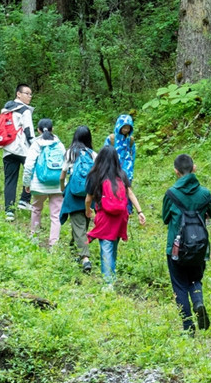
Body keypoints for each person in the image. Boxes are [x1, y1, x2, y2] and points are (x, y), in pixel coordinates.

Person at [162, 154, 211, 335]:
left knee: (179, 286)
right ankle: (198, 302)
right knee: (195, 279)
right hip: (199, 247)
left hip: (176, 248)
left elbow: (165, 218)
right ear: (194, 168)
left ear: (176, 171)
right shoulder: (205, 193)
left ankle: (188, 327)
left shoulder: (171, 194)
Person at [85, 145, 146, 287]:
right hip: (120, 217)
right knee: (113, 246)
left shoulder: (96, 175)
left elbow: (89, 198)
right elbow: (130, 193)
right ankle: (112, 276)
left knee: (106, 248)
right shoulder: (121, 174)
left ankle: (108, 284)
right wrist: (140, 212)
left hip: (105, 217)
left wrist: (88, 210)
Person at [23, 119, 67, 248]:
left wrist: (27, 183)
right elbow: (65, 164)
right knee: (55, 214)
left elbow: (29, 165)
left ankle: (34, 238)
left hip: (39, 184)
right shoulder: (59, 144)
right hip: (57, 184)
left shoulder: (36, 144)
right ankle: (54, 243)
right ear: (52, 129)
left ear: (38, 130)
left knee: (36, 209)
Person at [59, 126, 96, 273]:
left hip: (73, 193)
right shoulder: (93, 154)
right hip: (89, 193)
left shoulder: (70, 153)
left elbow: (62, 175)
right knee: (83, 224)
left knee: (78, 225)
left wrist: (63, 189)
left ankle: (85, 258)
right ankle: (74, 248)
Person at [0, 84, 35, 221]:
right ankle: (24, 200)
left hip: (8, 149)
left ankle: (9, 211)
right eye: (27, 93)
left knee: (10, 180)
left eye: (31, 94)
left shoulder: (6, 109)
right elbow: (28, 131)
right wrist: (34, 147)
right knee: (32, 173)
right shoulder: (25, 111)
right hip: (23, 150)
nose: (29, 96)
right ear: (18, 94)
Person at [105, 114, 137, 182]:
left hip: (127, 171)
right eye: (124, 127)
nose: (126, 130)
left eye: (128, 128)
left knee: (126, 190)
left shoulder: (130, 140)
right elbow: (104, 154)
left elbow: (133, 154)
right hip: (113, 170)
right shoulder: (111, 139)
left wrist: (131, 167)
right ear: (119, 126)